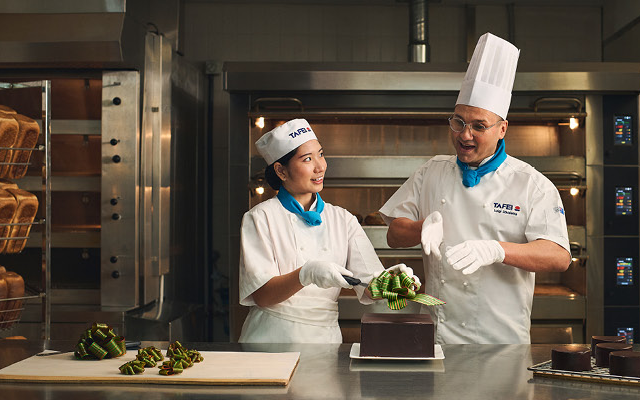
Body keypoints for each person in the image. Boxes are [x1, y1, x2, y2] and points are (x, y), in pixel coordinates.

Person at [379, 33, 571, 344]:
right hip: (437, 336)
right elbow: (394, 234)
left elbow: (558, 256)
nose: (465, 135)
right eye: (458, 122)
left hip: (501, 340)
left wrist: (497, 250)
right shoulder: (432, 172)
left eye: (478, 126)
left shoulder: (530, 183)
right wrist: (422, 226)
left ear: (502, 129)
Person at [239, 119, 415, 343]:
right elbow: (262, 295)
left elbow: (370, 287)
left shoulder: (343, 219)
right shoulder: (260, 218)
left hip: (324, 341)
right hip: (270, 340)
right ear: (281, 170)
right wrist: (306, 273)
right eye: (307, 159)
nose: (320, 166)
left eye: (320, 154)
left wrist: (391, 282)